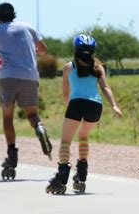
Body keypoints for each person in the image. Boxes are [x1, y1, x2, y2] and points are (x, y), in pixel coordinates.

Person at [0, 2, 53, 180]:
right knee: (32, 115)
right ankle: (40, 128)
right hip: (30, 76)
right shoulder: (27, 26)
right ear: (14, 14)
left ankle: (12, 157)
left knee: (8, 118)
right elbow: (44, 50)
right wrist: (28, 52)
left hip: (8, 76)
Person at [45, 33, 122, 194]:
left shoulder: (68, 67)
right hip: (95, 106)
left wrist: (70, 108)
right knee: (83, 137)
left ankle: (61, 177)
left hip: (77, 103)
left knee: (66, 141)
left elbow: (66, 94)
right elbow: (105, 88)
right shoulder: (98, 67)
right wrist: (114, 105)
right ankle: (81, 175)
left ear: (75, 50)